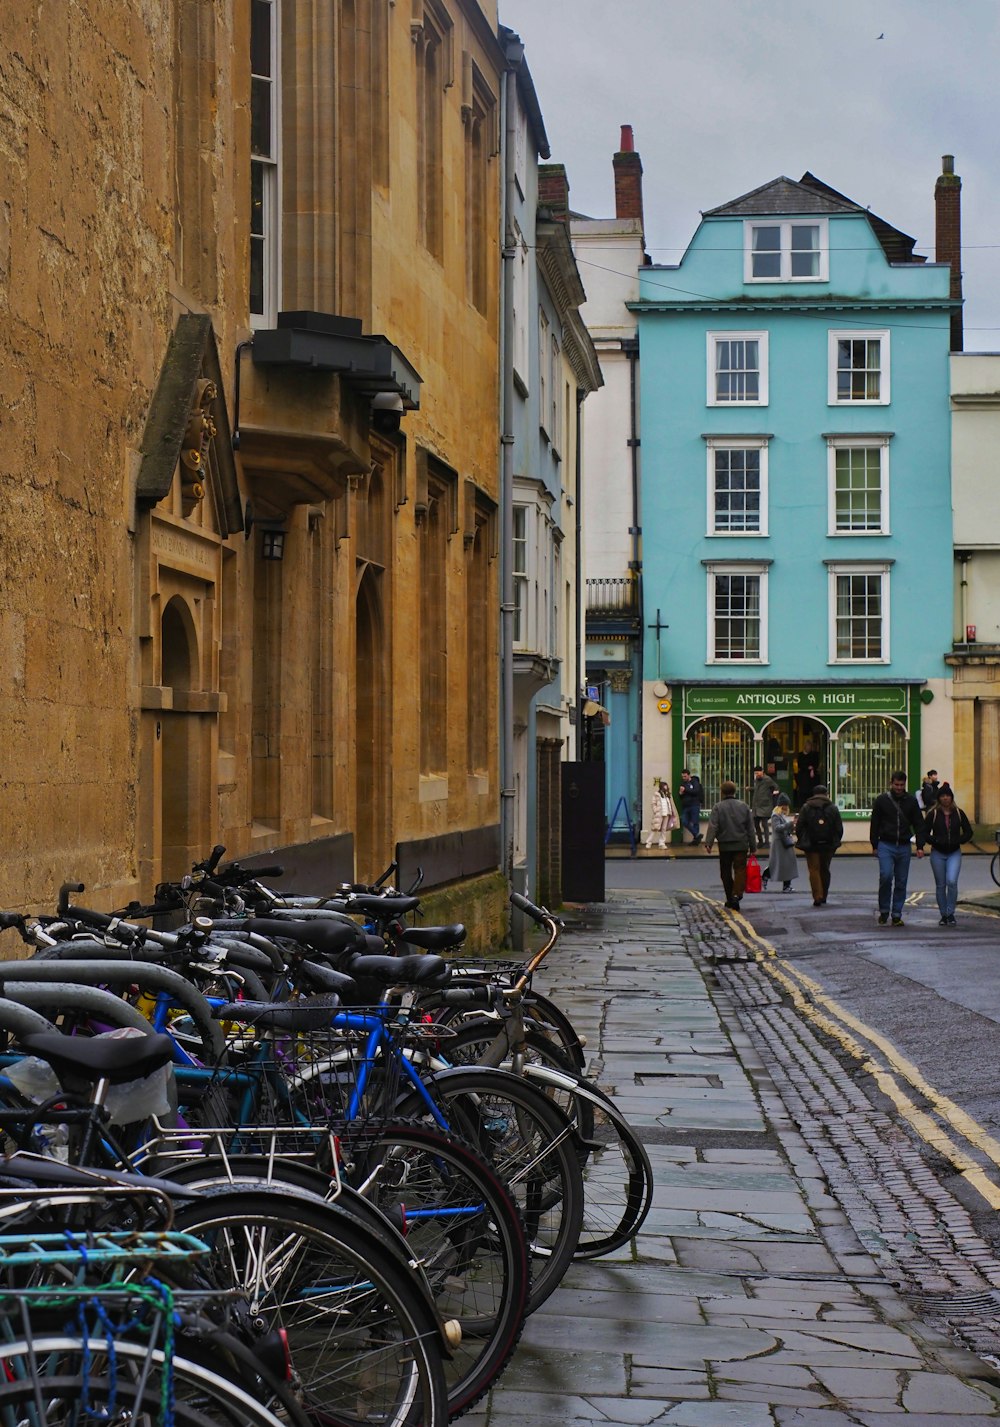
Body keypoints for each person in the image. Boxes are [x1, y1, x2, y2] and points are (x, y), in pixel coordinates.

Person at [869, 771, 924, 926]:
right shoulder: (882, 801)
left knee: (901, 881)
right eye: (896, 785)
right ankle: (884, 910)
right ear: (891, 783)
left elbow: (919, 824)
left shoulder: (911, 802)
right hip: (886, 844)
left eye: (901, 785)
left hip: (904, 846)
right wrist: (874, 845)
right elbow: (875, 823)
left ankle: (896, 914)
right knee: (886, 876)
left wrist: (920, 846)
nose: (899, 788)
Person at [916, 782, 973, 926]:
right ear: (939, 798)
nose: (945, 798)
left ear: (952, 797)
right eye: (943, 796)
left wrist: (959, 840)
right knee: (941, 885)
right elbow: (923, 832)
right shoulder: (933, 814)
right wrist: (932, 841)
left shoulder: (959, 813)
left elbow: (968, 832)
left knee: (952, 882)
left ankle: (951, 912)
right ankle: (944, 915)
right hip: (937, 853)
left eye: (948, 795)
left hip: (954, 852)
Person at [704, 780, 755, 910]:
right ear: (735, 791)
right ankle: (736, 895)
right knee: (740, 870)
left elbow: (713, 826)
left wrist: (709, 843)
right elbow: (750, 828)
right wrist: (753, 846)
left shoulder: (718, 807)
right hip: (741, 844)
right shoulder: (743, 806)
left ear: (722, 792)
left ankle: (730, 897)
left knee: (725, 872)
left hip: (725, 845)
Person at [795, 783, 843, 906]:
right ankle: (824, 895)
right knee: (825, 869)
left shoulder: (806, 807)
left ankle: (817, 895)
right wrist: (835, 841)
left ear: (814, 794)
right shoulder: (833, 808)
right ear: (826, 794)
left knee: (814, 870)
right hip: (828, 844)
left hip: (811, 845)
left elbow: (799, 826)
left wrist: (803, 840)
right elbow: (839, 828)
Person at [761, 794, 798, 892]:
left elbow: (784, 828)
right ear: (782, 805)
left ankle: (786, 885)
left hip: (785, 842)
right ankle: (766, 875)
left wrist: (792, 826)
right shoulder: (775, 816)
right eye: (786, 805)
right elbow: (777, 828)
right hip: (779, 843)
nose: (787, 807)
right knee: (779, 864)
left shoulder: (782, 815)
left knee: (787, 864)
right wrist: (790, 824)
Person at [750, 765, 781, 848]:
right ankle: (760, 841)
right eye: (756, 773)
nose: (757, 774)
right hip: (757, 806)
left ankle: (767, 842)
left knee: (764, 824)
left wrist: (774, 792)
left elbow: (776, 787)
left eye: (758, 772)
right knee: (756, 824)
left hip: (765, 806)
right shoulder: (757, 780)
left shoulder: (767, 779)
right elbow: (758, 789)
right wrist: (750, 789)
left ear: (762, 771)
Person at [644, 779, 677, 851]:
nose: (666, 787)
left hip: (667, 813)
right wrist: (655, 810)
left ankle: (662, 843)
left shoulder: (668, 795)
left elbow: (671, 803)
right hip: (659, 813)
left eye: (666, 786)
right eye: (665, 786)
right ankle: (648, 842)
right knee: (655, 828)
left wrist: (671, 811)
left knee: (664, 829)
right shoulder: (657, 794)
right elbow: (653, 803)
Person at [677, 769, 703, 844]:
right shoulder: (683, 784)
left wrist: (685, 790)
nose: (683, 778)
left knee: (695, 822)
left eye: (685, 776)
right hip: (686, 805)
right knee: (684, 821)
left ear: (689, 775)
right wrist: (680, 793)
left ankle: (696, 840)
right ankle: (697, 835)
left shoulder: (695, 782)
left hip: (694, 804)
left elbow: (695, 791)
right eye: (682, 776)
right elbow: (681, 796)